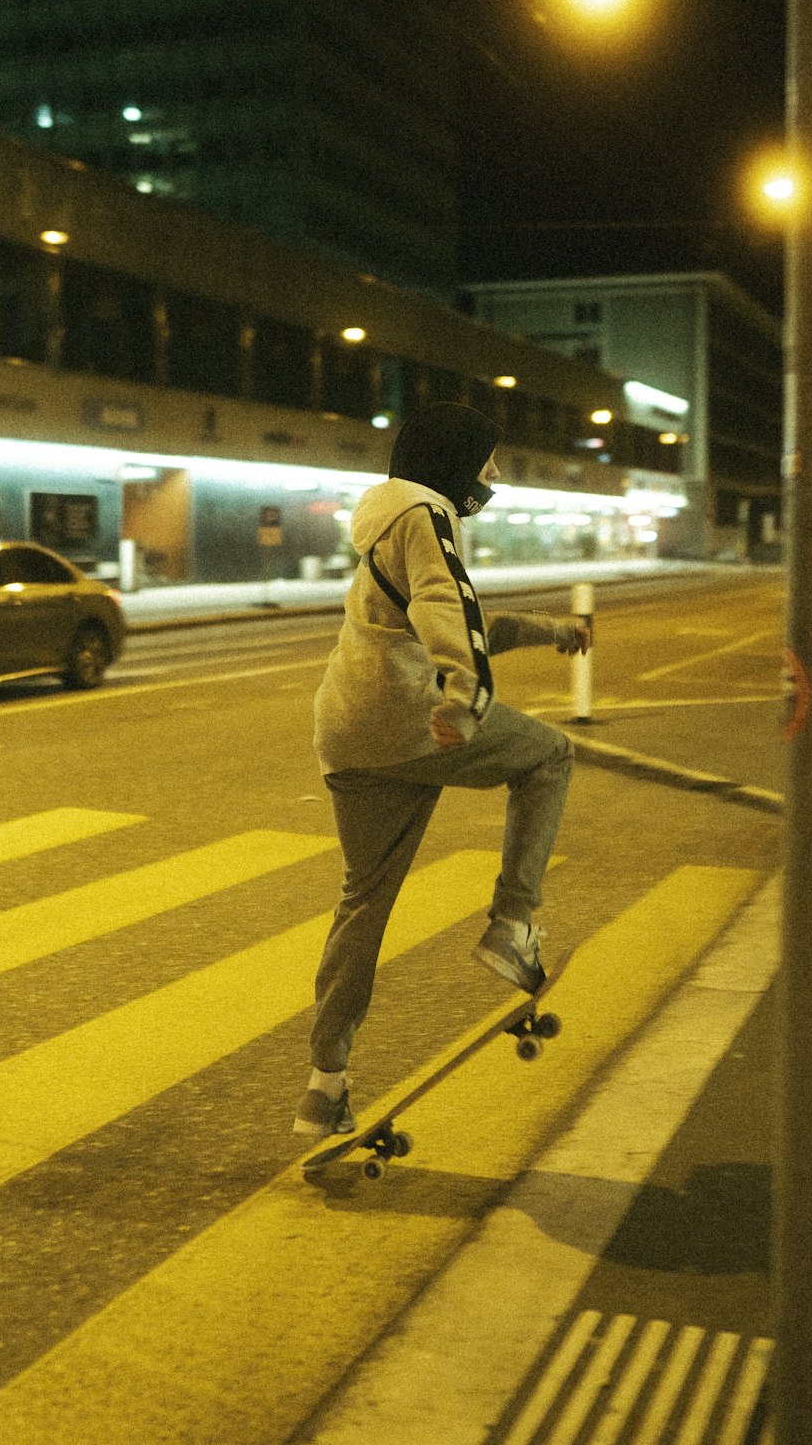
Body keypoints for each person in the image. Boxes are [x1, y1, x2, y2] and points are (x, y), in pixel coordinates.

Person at [294, 401, 590, 1140]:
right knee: (551, 755)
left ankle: (325, 1084)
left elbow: (462, 616)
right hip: (412, 719)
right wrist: (463, 698)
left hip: (348, 731)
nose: (492, 477)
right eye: (486, 462)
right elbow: (440, 608)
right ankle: (513, 923)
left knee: (362, 901)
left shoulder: (385, 517)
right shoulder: (427, 513)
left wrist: (553, 630)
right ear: (453, 462)